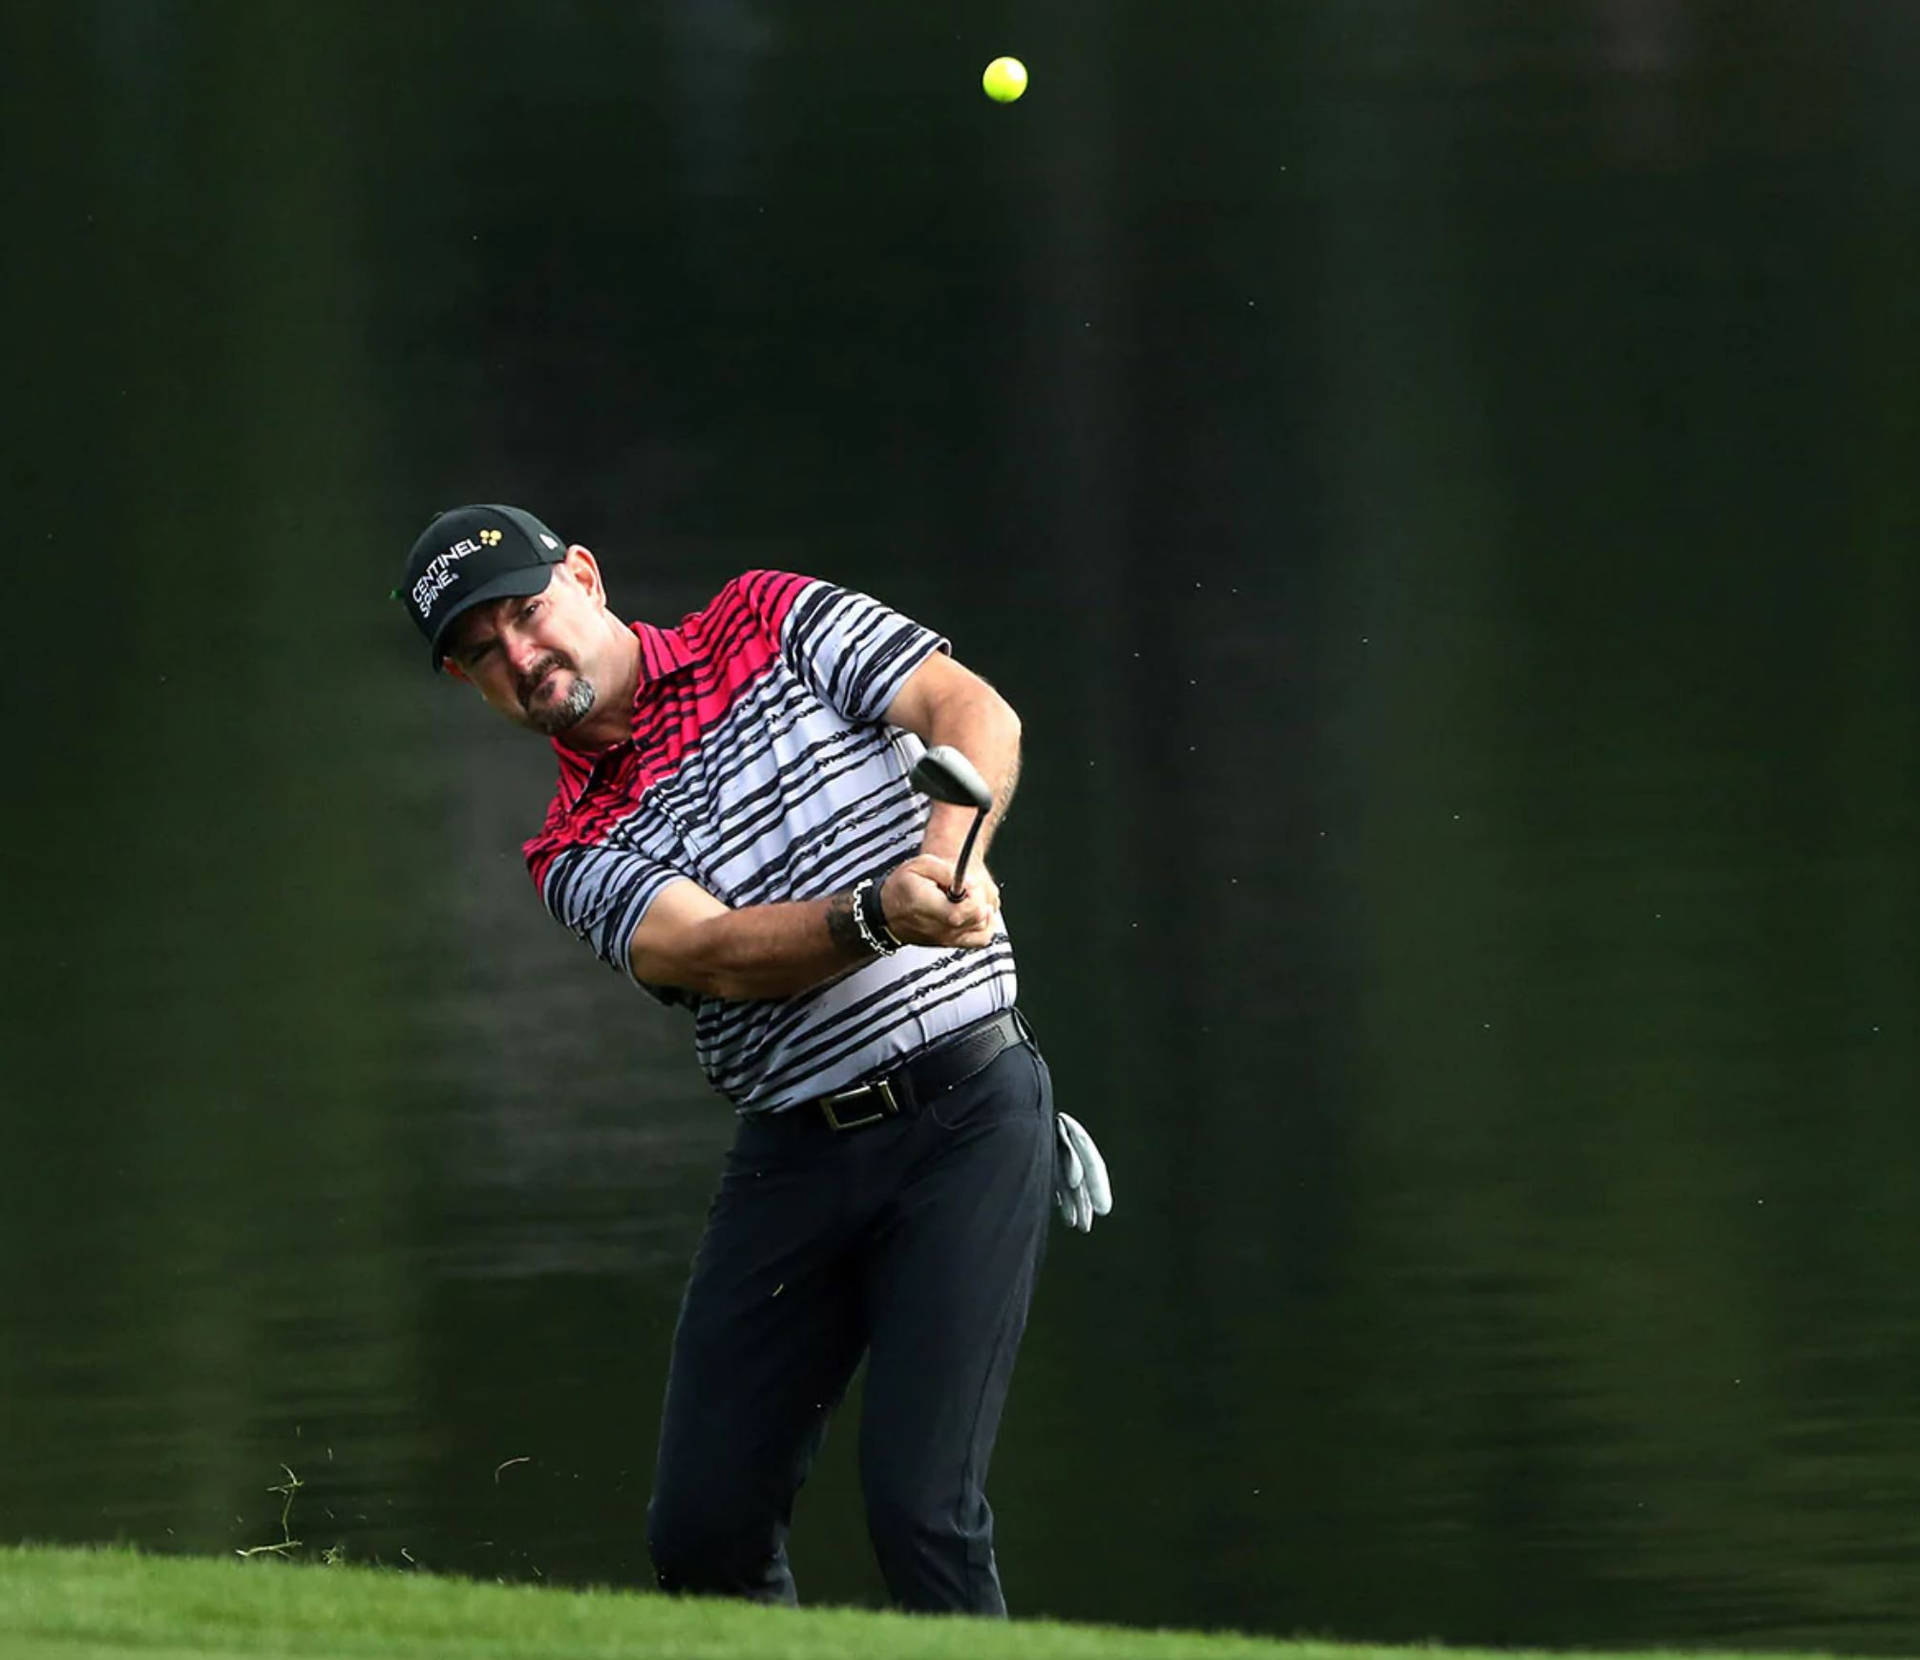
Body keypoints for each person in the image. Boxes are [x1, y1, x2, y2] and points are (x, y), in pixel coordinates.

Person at [398, 502, 1110, 1615]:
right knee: (701, 1534)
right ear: (465, 684)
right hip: (796, 1157)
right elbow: (710, 955)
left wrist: (948, 857)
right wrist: (880, 915)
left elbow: (965, 708)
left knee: (923, 1510)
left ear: (584, 576)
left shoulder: (765, 615)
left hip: (967, 1111)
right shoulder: (569, 843)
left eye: (528, 615)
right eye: (481, 653)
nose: (522, 658)